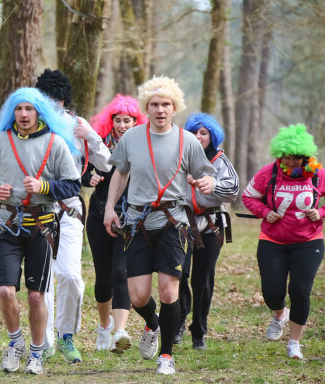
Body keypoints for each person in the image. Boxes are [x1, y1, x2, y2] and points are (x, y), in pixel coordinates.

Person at [103, 76, 216, 375]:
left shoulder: (188, 141)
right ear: (146, 108)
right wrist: (109, 209)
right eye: (154, 104)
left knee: (169, 291)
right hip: (137, 221)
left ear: (175, 106)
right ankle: (152, 324)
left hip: (174, 222)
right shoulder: (131, 138)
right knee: (138, 295)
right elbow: (120, 174)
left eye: (166, 104)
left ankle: (166, 355)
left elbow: (206, 174)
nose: (160, 109)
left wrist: (208, 181)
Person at [0, 87, 81, 375]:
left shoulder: (56, 143)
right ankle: (15, 343)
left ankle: (37, 352)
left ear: (39, 113)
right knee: (6, 291)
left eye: (29, 109)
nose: (23, 115)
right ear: (12, 113)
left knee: (37, 296)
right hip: (7, 224)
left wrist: (46, 187)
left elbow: (73, 184)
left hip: (41, 226)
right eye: (19, 109)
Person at [34, 69, 112, 363]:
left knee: (70, 275)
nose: (53, 104)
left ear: (65, 100)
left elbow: (106, 165)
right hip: (38, 209)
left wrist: (92, 137)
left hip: (70, 209)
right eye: (46, 98)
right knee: (43, 279)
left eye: (57, 98)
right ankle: (47, 341)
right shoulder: (33, 125)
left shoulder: (78, 125)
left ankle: (67, 334)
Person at [242, 124, 325, 360]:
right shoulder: (268, 173)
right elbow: (248, 197)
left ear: (306, 156)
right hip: (272, 241)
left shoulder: (318, 173)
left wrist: (320, 213)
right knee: (271, 292)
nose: (292, 162)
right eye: (287, 157)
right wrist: (265, 211)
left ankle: (294, 343)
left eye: (297, 158)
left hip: (309, 241)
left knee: (300, 290)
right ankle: (280, 314)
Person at [85, 94, 147, 354]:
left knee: (121, 273)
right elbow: (77, 172)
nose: (122, 125)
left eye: (128, 121)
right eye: (118, 121)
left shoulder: (143, 148)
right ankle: (103, 326)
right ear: (111, 123)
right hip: (99, 215)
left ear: (136, 122)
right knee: (103, 277)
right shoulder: (99, 148)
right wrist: (87, 178)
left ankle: (120, 331)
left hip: (129, 218)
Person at [175, 113, 238, 350]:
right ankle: (178, 321)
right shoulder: (178, 156)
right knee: (179, 274)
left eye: (203, 133)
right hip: (181, 224)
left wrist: (212, 185)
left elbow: (233, 189)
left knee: (203, 280)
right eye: (194, 132)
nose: (198, 136)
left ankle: (199, 331)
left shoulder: (220, 160)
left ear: (212, 136)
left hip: (211, 226)